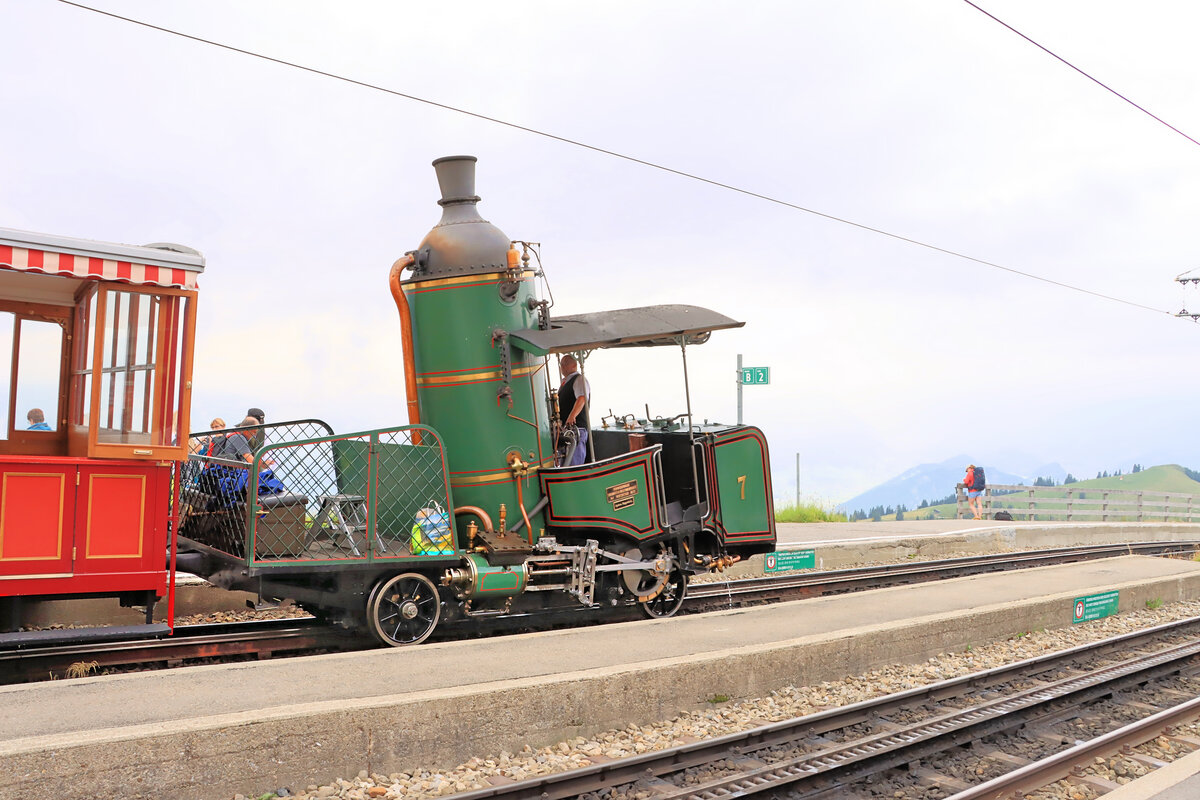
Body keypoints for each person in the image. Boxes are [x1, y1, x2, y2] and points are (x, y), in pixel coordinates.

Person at [558, 355, 591, 466]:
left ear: (574, 365)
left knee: (575, 462)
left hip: (577, 429)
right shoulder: (565, 382)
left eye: (566, 363)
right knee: (566, 461)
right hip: (567, 430)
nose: (562, 366)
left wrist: (572, 416)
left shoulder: (579, 379)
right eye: (562, 364)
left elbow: (582, 398)